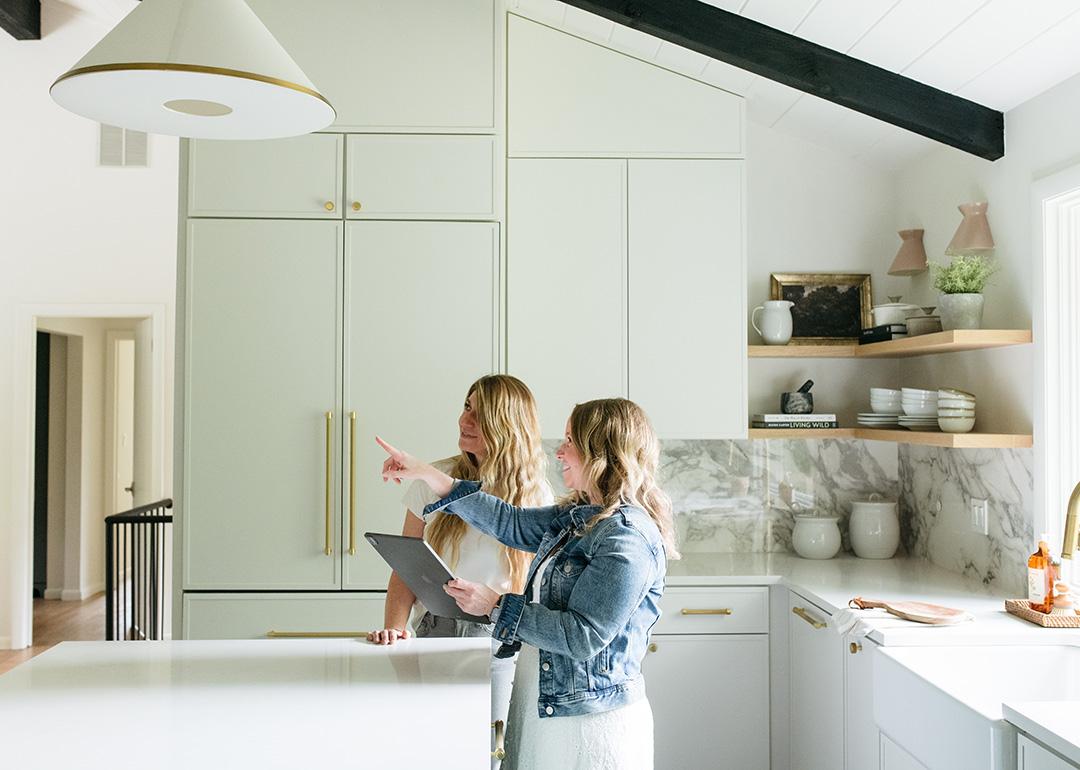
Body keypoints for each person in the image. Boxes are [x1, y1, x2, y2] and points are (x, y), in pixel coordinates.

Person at [376, 397, 679, 770]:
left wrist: (494, 605)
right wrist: (428, 475)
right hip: (544, 707)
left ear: (599, 451)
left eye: (571, 440)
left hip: (589, 725)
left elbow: (581, 636)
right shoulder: (579, 517)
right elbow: (511, 523)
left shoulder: (626, 537)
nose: (561, 450)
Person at [367, 375, 552, 766]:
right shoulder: (430, 480)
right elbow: (405, 569)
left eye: (479, 414)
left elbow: (537, 587)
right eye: (466, 407)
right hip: (433, 631)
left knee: (492, 752)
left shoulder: (536, 496)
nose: (464, 420)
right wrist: (397, 629)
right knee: (427, 748)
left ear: (507, 425)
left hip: (497, 641)